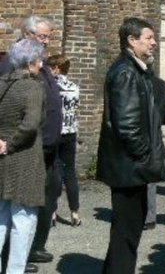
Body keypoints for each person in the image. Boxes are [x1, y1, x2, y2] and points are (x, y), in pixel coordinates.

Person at [96, 17, 165, 274]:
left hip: (131, 167)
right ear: (131, 40)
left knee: (127, 231)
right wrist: (145, 155)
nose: (154, 43)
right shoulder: (126, 72)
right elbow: (127, 126)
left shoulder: (136, 70)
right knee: (126, 231)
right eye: (149, 38)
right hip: (129, 168)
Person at [0, 40, 46, 274]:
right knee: (24, 220)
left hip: (2, 159)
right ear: (31, 63)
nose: (42, 65)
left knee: (1, 219)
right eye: (40, 60)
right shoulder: (33, 87)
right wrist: (10, 144)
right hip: (25, 157)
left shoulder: (1, 83)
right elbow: (30, 125)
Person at [47, 54, 81, 228]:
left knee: (53, 173)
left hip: (55, 133)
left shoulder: (52, 86)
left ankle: (51, 212)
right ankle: (75, 212)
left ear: (57, 68)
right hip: (71, 132)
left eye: (50, 67)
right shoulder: (75, 87)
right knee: (70, 173)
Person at [144, 76, 165, 230]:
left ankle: (138, 215)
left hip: (138, 133)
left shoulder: (130, 81)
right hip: (154, 134)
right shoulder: (160, 84)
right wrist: (163, 119)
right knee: (150, 178)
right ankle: (149, 216)